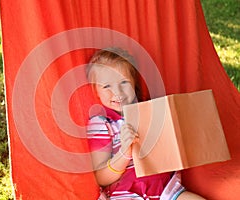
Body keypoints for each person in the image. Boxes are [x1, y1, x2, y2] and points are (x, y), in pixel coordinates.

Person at [86, 47, 205, 200]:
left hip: (165, 190)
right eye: (106, 86)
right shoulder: (101, 123)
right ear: (95, 91)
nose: (117, 92)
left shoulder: (151, 112)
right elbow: (101, 178)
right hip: (126, 193)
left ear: (134, 84)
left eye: (124, 82)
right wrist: (124, 153)